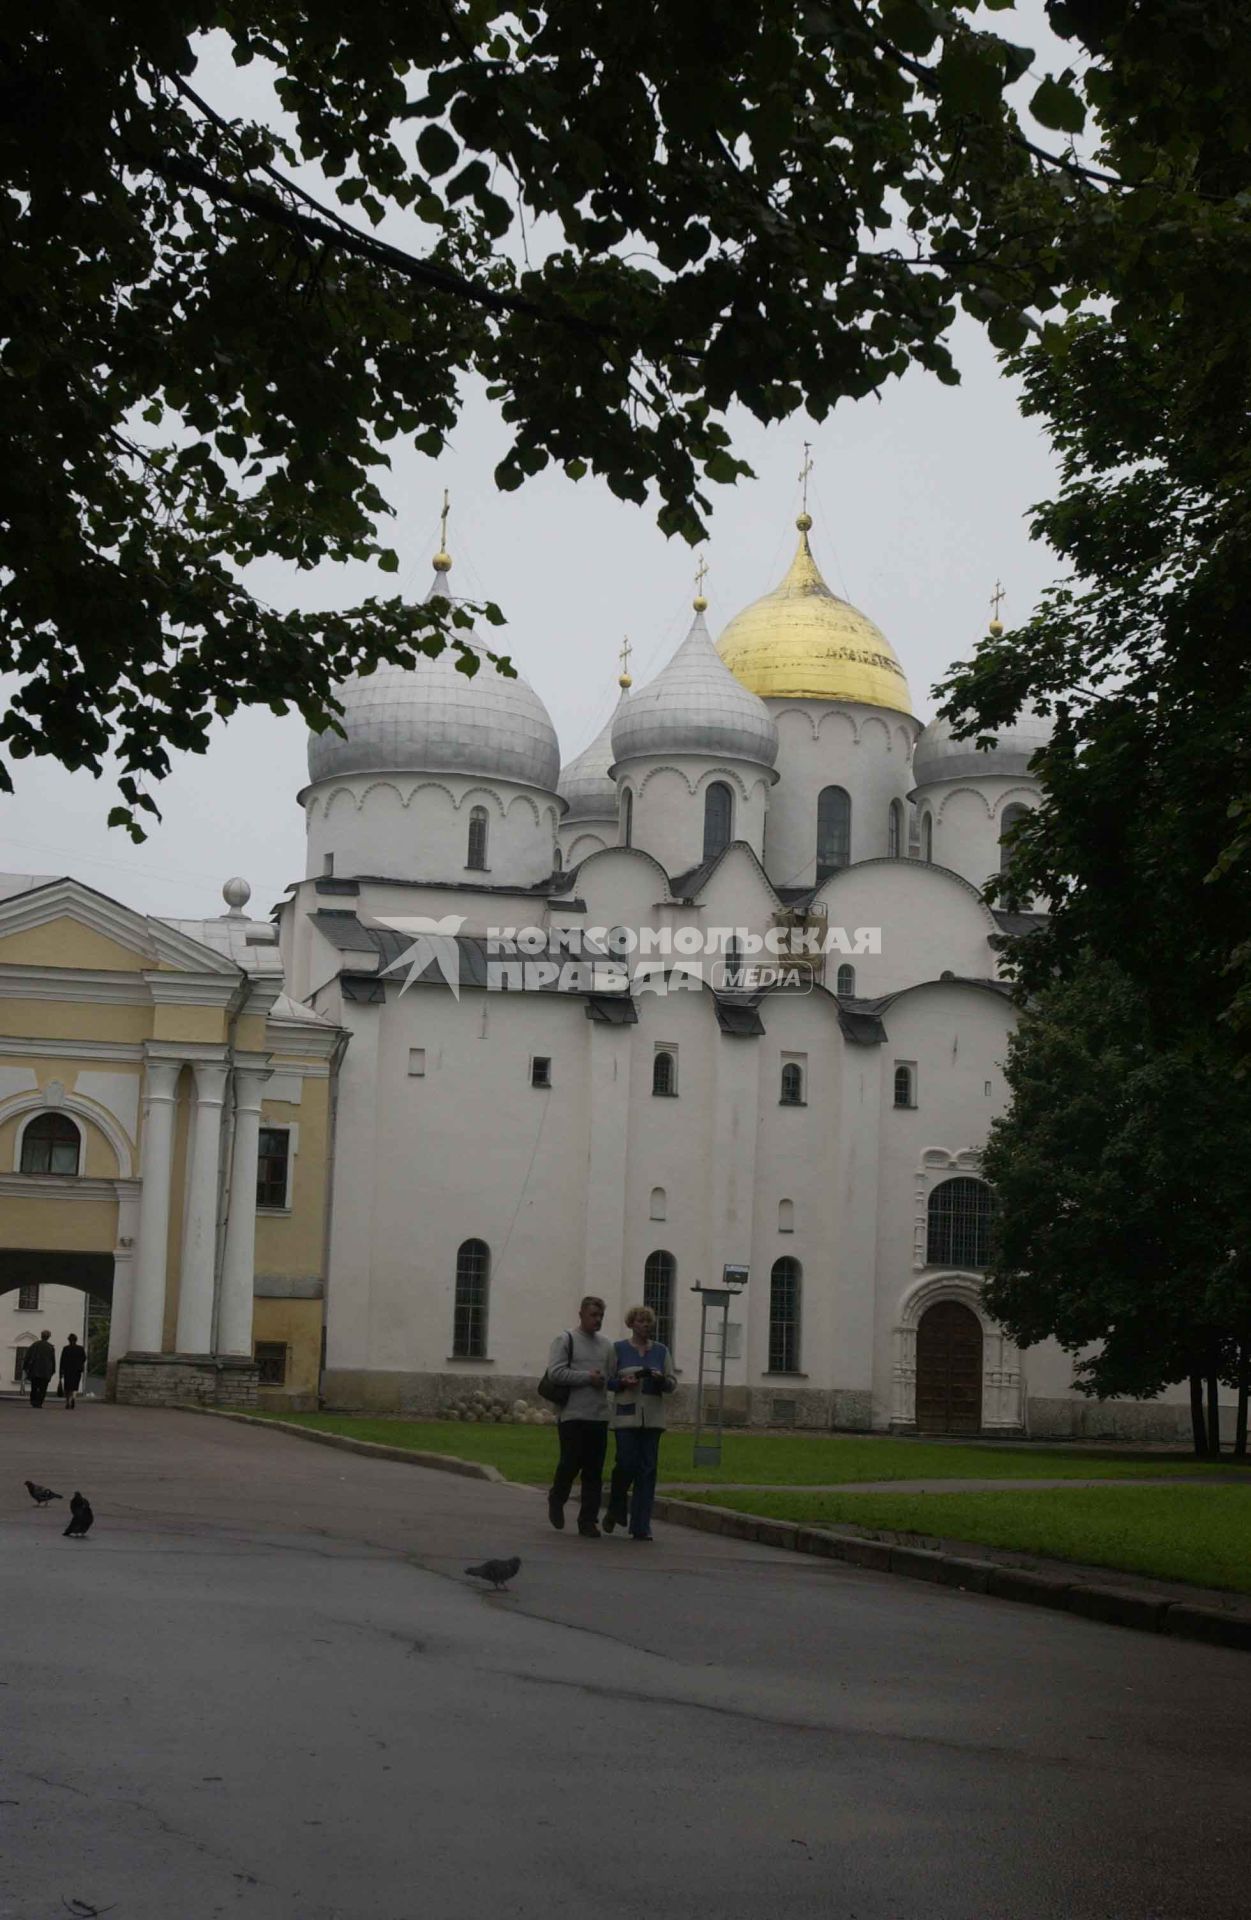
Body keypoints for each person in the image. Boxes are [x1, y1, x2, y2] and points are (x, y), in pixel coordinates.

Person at [603, 1305, 677, 1541]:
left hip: (652, 1418)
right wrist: (623, 1382)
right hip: (626, 1417)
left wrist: (661, 1380)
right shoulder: (619, 1349)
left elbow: (672, 1383)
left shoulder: (661, 1351)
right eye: (641, 1321)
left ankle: (641, 1525)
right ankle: (616, 1505)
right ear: (631, 1324)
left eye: (648, 1322)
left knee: (647, 1470)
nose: (646, 1325)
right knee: (625, 1463)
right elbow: (607, 1381)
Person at [545, 1296, 615, 1538]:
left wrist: (615, 1385)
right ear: (581, 1315)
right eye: (593, 1315)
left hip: (598, 1416)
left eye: (601, 1316)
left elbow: (612, 1375)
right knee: (569, 1464)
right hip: (572, 1415)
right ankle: (557, 1497)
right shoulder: (566, 1340)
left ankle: (588, 1521)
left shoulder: (607, 1345)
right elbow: (555, 1373)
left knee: (594, 1471)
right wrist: (587, 1378)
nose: (597, 1320)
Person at [23, 1330, 57, 1409]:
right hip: (46, 1371)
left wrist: (25, 1367)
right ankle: (39, 1402)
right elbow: (52, 1360)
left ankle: (33, 1401)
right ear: (48, 1337)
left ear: (41, 1336)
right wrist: (53, 1370)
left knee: (34, 1386)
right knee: (43, 1388)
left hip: (35, 1370)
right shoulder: (50, 1347)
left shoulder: (35, 1345)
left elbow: (28, 1356)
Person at [58, 1331, 87, 1410]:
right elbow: (84, 1358)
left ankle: (67, 1401)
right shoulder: (80, 1349)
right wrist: (79, 1364)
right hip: (77, 1370)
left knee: (67, 1387)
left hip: (67, 1370)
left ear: (69, 1340)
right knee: (75, 1386)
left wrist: (61, 1371)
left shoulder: (66, 1349)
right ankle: (73, 1398)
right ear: (76, 1340)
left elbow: (62, 1360)